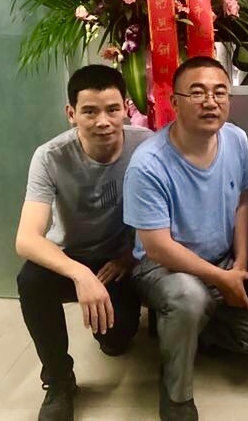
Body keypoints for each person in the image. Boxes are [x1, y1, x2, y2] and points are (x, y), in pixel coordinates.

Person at [123, 56, 248, 421]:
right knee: (188, 296)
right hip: (163, 268)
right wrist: (221, 279)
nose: (210, 101)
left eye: (219, 92)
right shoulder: (149, 163)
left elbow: (243, 201)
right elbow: (157, 246)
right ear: (174, 102)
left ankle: (182, 332)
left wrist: (238, 266)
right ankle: (176, 393)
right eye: (197, 93)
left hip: (222, 260)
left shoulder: (236, 139)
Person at [15, 65, 151, 421]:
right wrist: (80, 274)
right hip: (70, 256)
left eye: (112, 109)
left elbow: (164, 212)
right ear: (71, 113)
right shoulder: (50, 156)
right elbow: (26, 238)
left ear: (126, 107)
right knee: (30, 281)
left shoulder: (145, 145)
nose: (103, 121)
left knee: (118, 339)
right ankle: (59, 380)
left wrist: (131, 256)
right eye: (90, 111)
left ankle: (113, 330)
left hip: (120, 259)